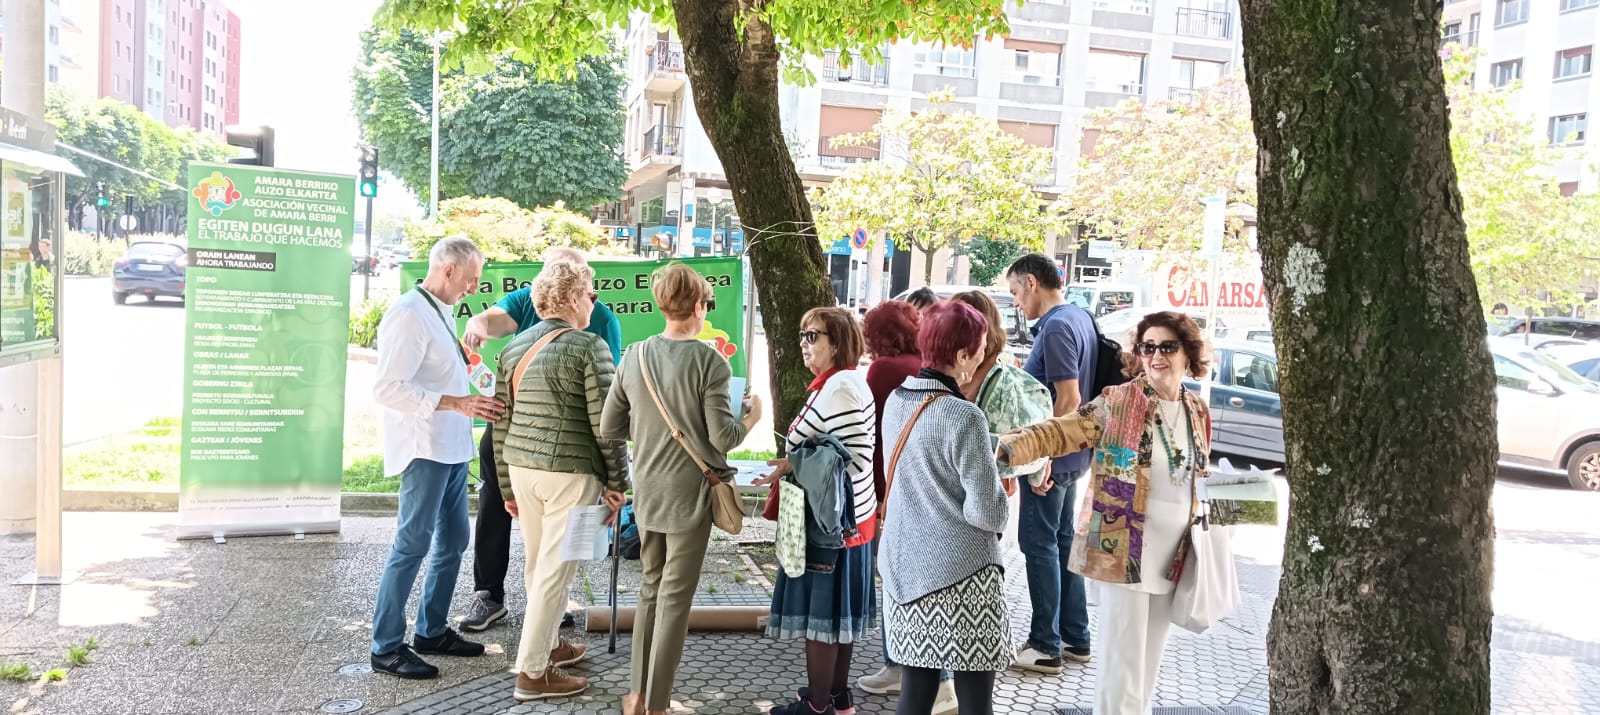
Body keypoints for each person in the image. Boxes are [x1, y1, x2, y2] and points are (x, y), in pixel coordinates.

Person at [996, 311, 1214, 715]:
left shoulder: (1196, 409)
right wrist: (1011, 447)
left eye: (1167, 347)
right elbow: (1063, 430)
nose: (1156, 356)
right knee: (1120, 666)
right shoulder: (1120, 401)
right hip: (1122, 549)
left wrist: (1247, 504)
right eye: (1148, 347)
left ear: (1188, 352)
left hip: (1174, 555)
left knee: (1147, 665)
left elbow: (1197, 477)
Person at [599, 264, 765, 715]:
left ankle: (636, 695)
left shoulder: (634, 355)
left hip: (648, 489)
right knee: (674, 599)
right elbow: (723, 437)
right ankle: (657, 704)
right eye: (706, 303)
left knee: (650, 589)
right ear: (697, 306)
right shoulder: (711, 361)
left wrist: (649, 430)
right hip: (690, 492)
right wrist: (751, 417)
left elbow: (610, 426)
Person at [458, 246, 622, 632]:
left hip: (565, 441)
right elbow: (496, 319)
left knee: (554, 532)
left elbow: (608, 394)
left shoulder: (601, 320)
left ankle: (548, 605)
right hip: (514, 433)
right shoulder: (527, 301)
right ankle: (490, 595)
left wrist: (609, 470)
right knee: (497, 503)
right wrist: (478, 323)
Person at [490, 260, 630, 701]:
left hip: (522, 470)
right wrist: (618, 482)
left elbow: (500, 422)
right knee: (556, 570)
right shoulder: (590, 346)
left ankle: (550, 645)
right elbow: (607, 424)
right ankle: (532, 673)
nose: (594, 301)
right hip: (569, 474)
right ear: (572, 298)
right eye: (591, 294)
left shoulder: (514, 348)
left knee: (538, 565)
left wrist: (507, 486)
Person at [369, 237, 506, 680]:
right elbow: (387, 388)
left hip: (451, 447)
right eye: (471, 279)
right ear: (448, 271)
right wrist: (456, 403)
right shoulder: (409, 313)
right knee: (412, 544)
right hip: (425, 447)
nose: (474, 288)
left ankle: (431, 631)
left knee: (454, 541)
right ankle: (386, 646)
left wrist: (472, 398)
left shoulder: (441, 309)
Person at [879, 301, 1012, 715]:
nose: (985, 355)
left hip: (904, 570)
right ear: (963, 355)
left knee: (915, 694)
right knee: (975, 702)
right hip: (962, 575)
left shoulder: (897, 400)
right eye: (981, 348)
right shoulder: (964, 417)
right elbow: (987, 513)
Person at [755, 307, 877, 715]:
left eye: (813, 336)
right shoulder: (841, 382)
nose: (804, 344)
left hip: (832, 523)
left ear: (837, 343)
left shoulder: (840, 386)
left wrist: (795, 462)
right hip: (847, 519)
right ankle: (836, 697)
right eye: (802, 335)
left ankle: (817, 706)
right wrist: (794, 463)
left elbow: (855, 457)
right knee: (837, 617)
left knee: (823, 618)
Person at [855, 301, 958, 712]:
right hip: (930, 490)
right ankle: (933, 675)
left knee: (897, 582)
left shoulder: (883, 370)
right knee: (925, 582)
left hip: (891, 488)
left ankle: (902, 666)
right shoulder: (923, 365)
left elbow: (873, 435)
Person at [1005, 253, 1098, 673]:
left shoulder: (1058, 326)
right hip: (1074, 454)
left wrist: (1044, 457)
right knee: (1061, 543)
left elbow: (1069, 398)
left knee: (1039, 544)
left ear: (1032, 283)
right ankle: (1076, 636)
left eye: (1015, 292)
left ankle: (1045, 644)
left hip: (1054, 459)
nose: (1016, 302)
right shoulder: (1079, 317)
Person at [950, 290, 1052, 493]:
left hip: (974, 487)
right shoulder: (1007, 366)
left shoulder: (959, 371)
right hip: (1000, 484)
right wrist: (1040, 468)